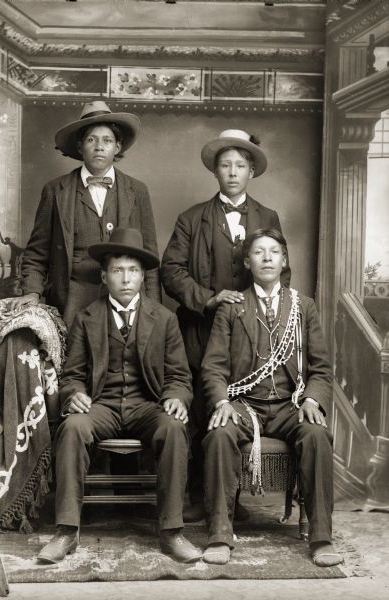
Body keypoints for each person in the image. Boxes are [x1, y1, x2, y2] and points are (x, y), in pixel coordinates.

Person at [37, 228, 202, 564]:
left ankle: (172, 532)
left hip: (148, 404)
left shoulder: (165, 319)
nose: (125, 278)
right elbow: (72, 375)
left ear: (143, 276)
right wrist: (75, 394)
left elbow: (180, 377)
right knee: (71, 428)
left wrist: (175, 398)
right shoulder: (86, 318)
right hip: (103, 405)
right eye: (117, 270)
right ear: (104, 276)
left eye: (133, 270)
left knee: (173, 427)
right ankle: (66, 531)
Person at [161, 129, 290, 520]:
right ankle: (203, 500)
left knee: (241, 410)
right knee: (205, 412)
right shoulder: (192, 218)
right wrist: (208, 298)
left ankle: (236, 500)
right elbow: (171, 270)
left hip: (252, 340)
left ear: (251, 171)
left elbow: (284, 270)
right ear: (215, 172)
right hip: (201, 332)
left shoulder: (268, 217)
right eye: (225, 165)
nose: (232, 172)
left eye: (240, 165)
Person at [200, 228, 341, 567]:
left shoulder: (302, 306)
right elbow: (213, 367)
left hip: (291, 405)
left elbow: (321, 368)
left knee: (318, 434)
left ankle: (321, 538)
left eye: (273, 252)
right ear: (247, 262)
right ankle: (220, 534)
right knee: (218, 435)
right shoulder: (231, 308)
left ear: (284, 260)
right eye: (258, 252)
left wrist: (312, 401)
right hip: (244, 405)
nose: (266, 258)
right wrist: (221, 402)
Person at [9, 101, 161, 327]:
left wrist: (152, 307)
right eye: (92, 140)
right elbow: (37, 252)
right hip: (72, 295)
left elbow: (149, 255)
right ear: (80, 147)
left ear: (117, 147)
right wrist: (32, 292)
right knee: (73, 359)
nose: (99, 147)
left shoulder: (137, 191)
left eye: (107, 140)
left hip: (125, 295)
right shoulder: (55, 190)